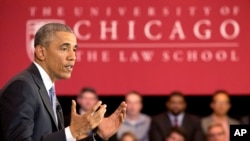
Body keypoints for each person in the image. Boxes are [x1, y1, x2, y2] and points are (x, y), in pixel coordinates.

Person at [0, 23, 127, 141]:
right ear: (41, 52)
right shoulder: (22, 87)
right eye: (64, 48)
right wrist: (72, 132)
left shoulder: (47, 91)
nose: (73, 56)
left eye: (74, 49)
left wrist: (99, 137)